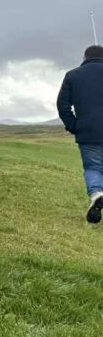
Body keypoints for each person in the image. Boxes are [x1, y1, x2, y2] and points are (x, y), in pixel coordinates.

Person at [57, 45, 103, 223]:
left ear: (84, 57)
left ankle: (96, 193)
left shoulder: (72, 75)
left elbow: (62, 106)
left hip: (88, 131)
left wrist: (74, 126)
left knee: (93, 167)